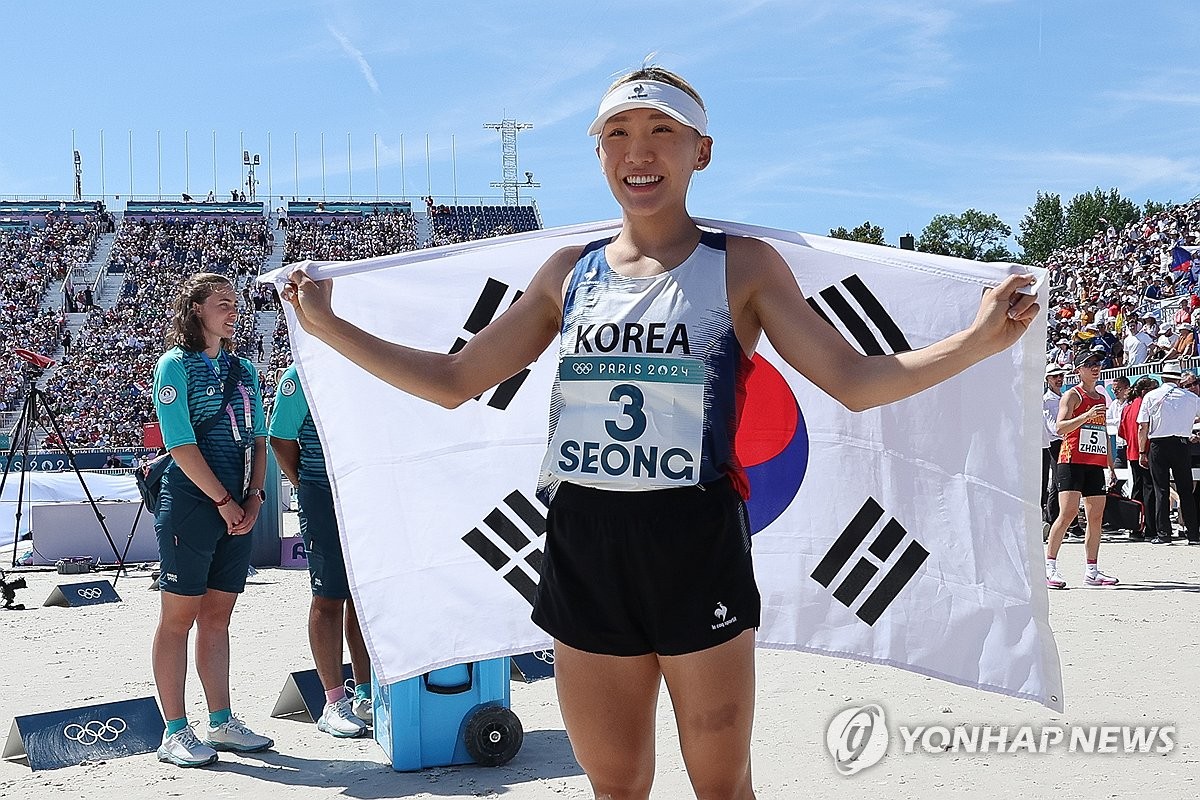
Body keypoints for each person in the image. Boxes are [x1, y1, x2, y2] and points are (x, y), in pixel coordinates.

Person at [281, 65, 1040, 799]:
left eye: (661, 131)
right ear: (598, 149)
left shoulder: (742, 266)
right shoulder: (565, 273)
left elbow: (852, 380)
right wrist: (330, 328)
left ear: (700, 151)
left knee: (722, 785)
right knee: (616, 786)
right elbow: (454, 383)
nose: (638, 151)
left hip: (693, 539)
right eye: (618, 132)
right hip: (583, 539)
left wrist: (974, 343)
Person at [150, 272, 273, 767]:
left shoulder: (245, 370)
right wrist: (224, 501)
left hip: (239, 505)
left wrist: (256, 498)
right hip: (192, 505)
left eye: (236, 301)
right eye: (223, 302)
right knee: (177, 620)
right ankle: (174, 731)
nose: (234, 308)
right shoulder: (174, 366)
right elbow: (179, 444)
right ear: (196, 309)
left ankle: (220, 721)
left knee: (218, 617)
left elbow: (260, 440)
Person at [269, 364, 372, 739]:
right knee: (328, 597)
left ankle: (365, 693)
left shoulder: (368, 359)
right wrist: (308, 484)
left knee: (364, 598)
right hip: (321, 494)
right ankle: (333, 703)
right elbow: (280, 439)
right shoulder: (301, 373)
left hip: (365, 492)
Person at [1045, 350, 1119, 589]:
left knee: (1095, 517)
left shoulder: (1101, 397)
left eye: (1097, 363)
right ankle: (1050, 567)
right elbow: (1060, 428)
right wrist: (1085, 415)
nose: (1095, 367)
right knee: (1066, 515)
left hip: (1094, 462)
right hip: (1071, 460)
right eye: (1089, 364)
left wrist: (1110, 465)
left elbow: (1102, 433)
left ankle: (1092, 571)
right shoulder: (1071, 395)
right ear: (1078, 370)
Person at [1137, 361, 1200, 545]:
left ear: (1162, 377)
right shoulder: (1190, 398)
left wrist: (1142, 451)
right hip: (1181, 444)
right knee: (1186, 489)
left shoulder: (1151, 396)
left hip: (1159, 444)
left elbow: (1143, 426)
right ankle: (1193, 534)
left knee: (1161, 489)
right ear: (1179, 378)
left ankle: (1164, 534)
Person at [1121, 376, 1161, 541]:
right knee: (1150, 490)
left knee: (1137, 490)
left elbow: (1121, 431)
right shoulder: (1146, 405)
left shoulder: (1127, 407)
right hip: (1145, 451)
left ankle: (1135, 527)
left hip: (1132, 452)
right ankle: (1151, 528)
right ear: (1145, 391)